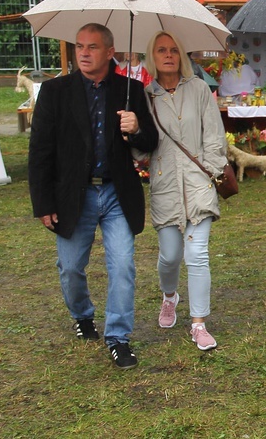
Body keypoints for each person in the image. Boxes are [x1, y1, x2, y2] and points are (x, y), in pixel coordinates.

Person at [28, 23, 159, 369]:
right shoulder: (56, 91)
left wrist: (136, 130)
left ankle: (118, 337)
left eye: (92, 47)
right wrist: (43, 203)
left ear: (110, 52)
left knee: (123, 266)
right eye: (79, 47)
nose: (83, 53)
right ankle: (82, 315)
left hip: (118, 193)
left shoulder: (130, 89)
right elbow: (39, 151)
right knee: (71, 267)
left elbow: (150, 144)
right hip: (74, 194)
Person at [144, 31, 228, 351]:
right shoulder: (144, 98)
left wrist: (212, 171)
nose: (169, 55)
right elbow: (141, 151)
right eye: (161, 50)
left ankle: (198, 322)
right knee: (170, 256)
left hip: (198, 183)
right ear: (153, 57)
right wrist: (129, 130)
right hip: (165, 185)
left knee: (197, 254)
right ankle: (169, 297)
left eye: (174, 50)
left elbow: (214, 136)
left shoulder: (199, 90)